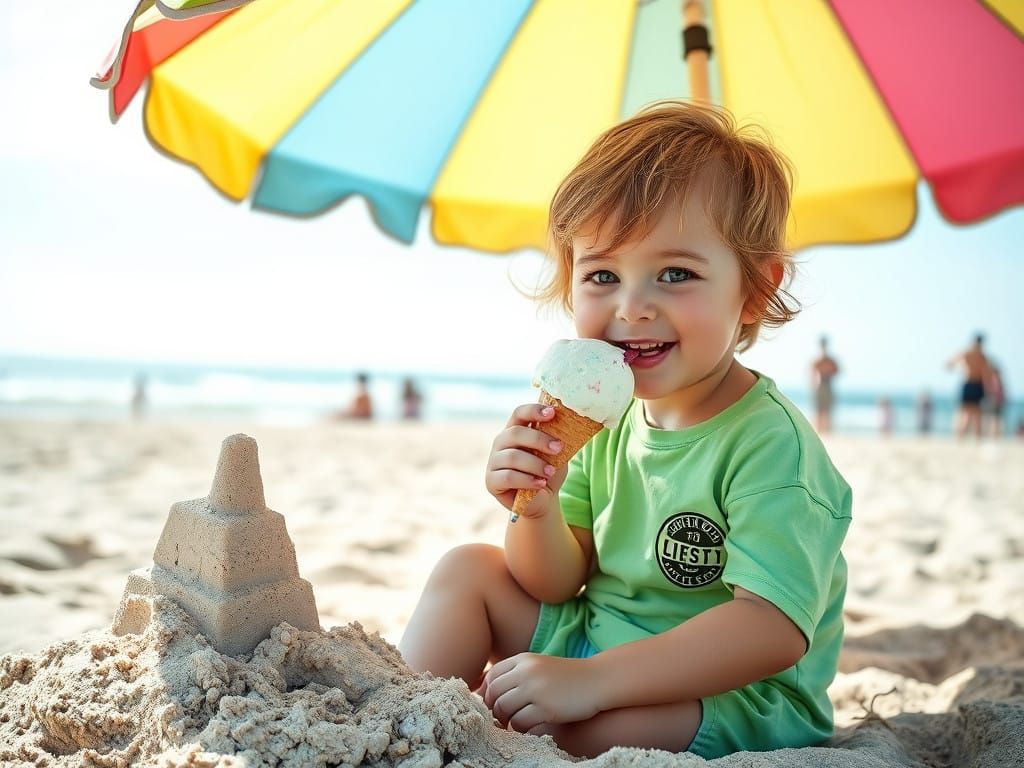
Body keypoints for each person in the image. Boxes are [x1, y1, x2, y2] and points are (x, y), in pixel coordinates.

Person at [399, 102, 852, 759]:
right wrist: (536, 503)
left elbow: (770, 629)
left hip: (727, 692)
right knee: (467, 571)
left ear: (754, 290)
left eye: (676, 274)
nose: (633, 306)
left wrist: (592, 682)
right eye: (603, 275)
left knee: (570, 728)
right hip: (596, 639)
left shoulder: (768, 445)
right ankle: (398, 711)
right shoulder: (607, 420)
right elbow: (555, 581)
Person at [946, 334, 994, 438]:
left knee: (969, 413)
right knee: (973, 413)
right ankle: (970, 438)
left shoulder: (970, 353)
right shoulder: (981, 356)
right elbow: (988, 373)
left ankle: (964, 438)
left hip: (971, 384)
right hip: (975, 384)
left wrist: (959, 366)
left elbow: (950, 363)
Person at [810, 336, 839, 434]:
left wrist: (826, 373)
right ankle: (820, 431)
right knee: (820, 410)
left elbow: (836, 370)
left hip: (826, 386)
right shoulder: (819, 360)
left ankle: (825, 431)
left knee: (826, 410)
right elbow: (812, 374)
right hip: (821, 386)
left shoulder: (827, 360)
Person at [985, 364, 1006, 437]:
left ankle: (994, 434)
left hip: (995, 401)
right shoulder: (998, 380)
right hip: (997, 401)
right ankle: (995, 434)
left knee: (994, 419)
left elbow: (992, 391)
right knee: (995, 419)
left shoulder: (994, 379)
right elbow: (1001, 392)